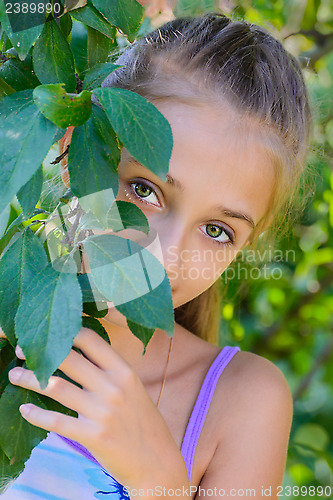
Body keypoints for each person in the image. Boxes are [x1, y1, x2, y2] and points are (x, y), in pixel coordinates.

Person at [1, 11, 311, 500]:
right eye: (144, 189)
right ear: (72, 148)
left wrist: (159, 481)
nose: (164, 258)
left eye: (217, 230)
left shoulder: (242, 402)